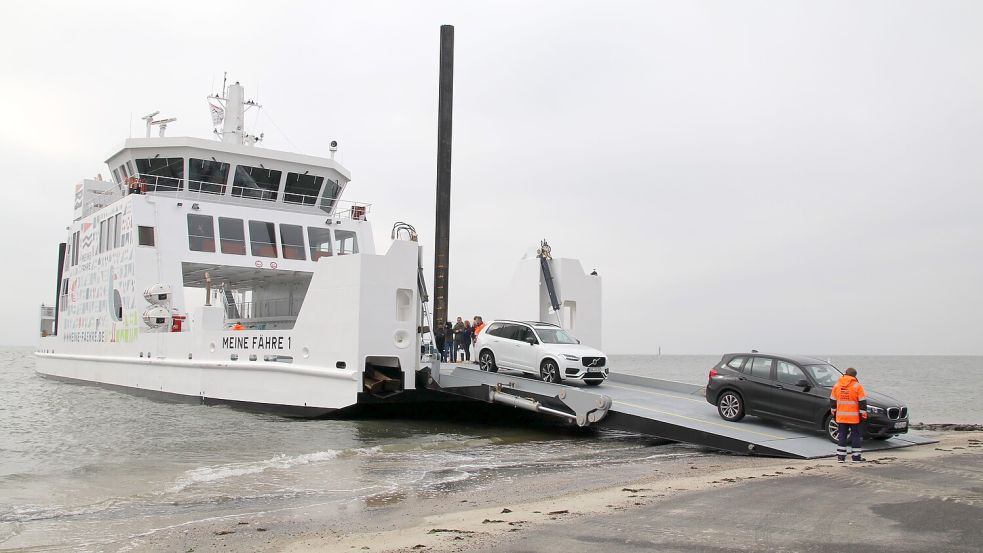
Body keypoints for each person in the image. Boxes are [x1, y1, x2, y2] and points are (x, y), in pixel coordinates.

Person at [830, 367, 867, 462]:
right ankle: (856, 458)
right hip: (854, 417)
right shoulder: (857, 386)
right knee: (856, 436)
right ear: (854, 376)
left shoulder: (837, 386)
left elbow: (833, 401)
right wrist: (863, 414)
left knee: (842, 435)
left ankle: (841, 457)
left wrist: (834, 412)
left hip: (841, 416)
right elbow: (862, 403)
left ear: (845, 374)